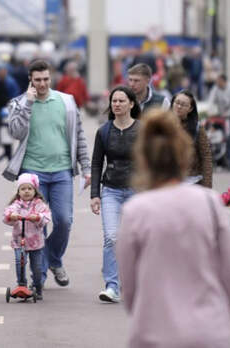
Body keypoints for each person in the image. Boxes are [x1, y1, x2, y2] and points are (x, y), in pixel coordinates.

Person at [116, 109, 230, 348]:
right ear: (184, 155)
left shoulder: (135, 211)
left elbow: (130, 290)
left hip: (154, 334)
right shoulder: (211, 203)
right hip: (208, 333)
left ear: (143, 159)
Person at [3, 59, 91, 287]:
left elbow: (79, 136)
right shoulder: (18, 103)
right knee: (35, 224)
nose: (42, 84)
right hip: (32, 173)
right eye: (37, 80)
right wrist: (29, 104)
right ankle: (38, 278)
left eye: (45, 79)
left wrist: (86, 167)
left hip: (62, 170)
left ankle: (53, 260)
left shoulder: (67, 102)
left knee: (63, 221)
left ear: (50, 78)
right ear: (30, 80)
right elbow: (15, 132)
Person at [89, 86, 140, 303]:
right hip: (111, 190)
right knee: (111, 237)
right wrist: (95, 194)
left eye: (121, 101)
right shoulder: (104, 131)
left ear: (131, 104)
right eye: (114, 101)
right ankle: (112, 286)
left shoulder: (143, 130)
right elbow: (96, 164)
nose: (117, 104)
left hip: (138, 192)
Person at [2, 173, 51, 300]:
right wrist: (11, 215)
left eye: (30, 188)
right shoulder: (16, 204)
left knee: (37, 267)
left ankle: (37, 286)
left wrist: (38, 217)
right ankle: (22, 284)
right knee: (20, 262)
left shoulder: (39, 204)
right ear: (18, 192)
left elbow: (46, 217)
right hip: (19, 240)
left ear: (35, 190)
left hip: (35, 242)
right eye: (23, 189)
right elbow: (7, 214)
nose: (27, 191)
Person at [170, 90, 213, 187]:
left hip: (191, 181)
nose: (179, 106)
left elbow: (206, 156)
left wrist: (207, 185)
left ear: (190, 109)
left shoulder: (197, 128)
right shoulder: (163, 125)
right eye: (177, 103)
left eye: (183, 105)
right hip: (168, 180)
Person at [208, 74, 230, 170]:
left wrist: (228, 113)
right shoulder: (216, 88)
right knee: (219, 139)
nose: (217, 83)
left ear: (223, 81)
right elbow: (211, 101)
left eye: (218, 81)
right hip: (220, 118)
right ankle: (221, 161)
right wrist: (210, 111)